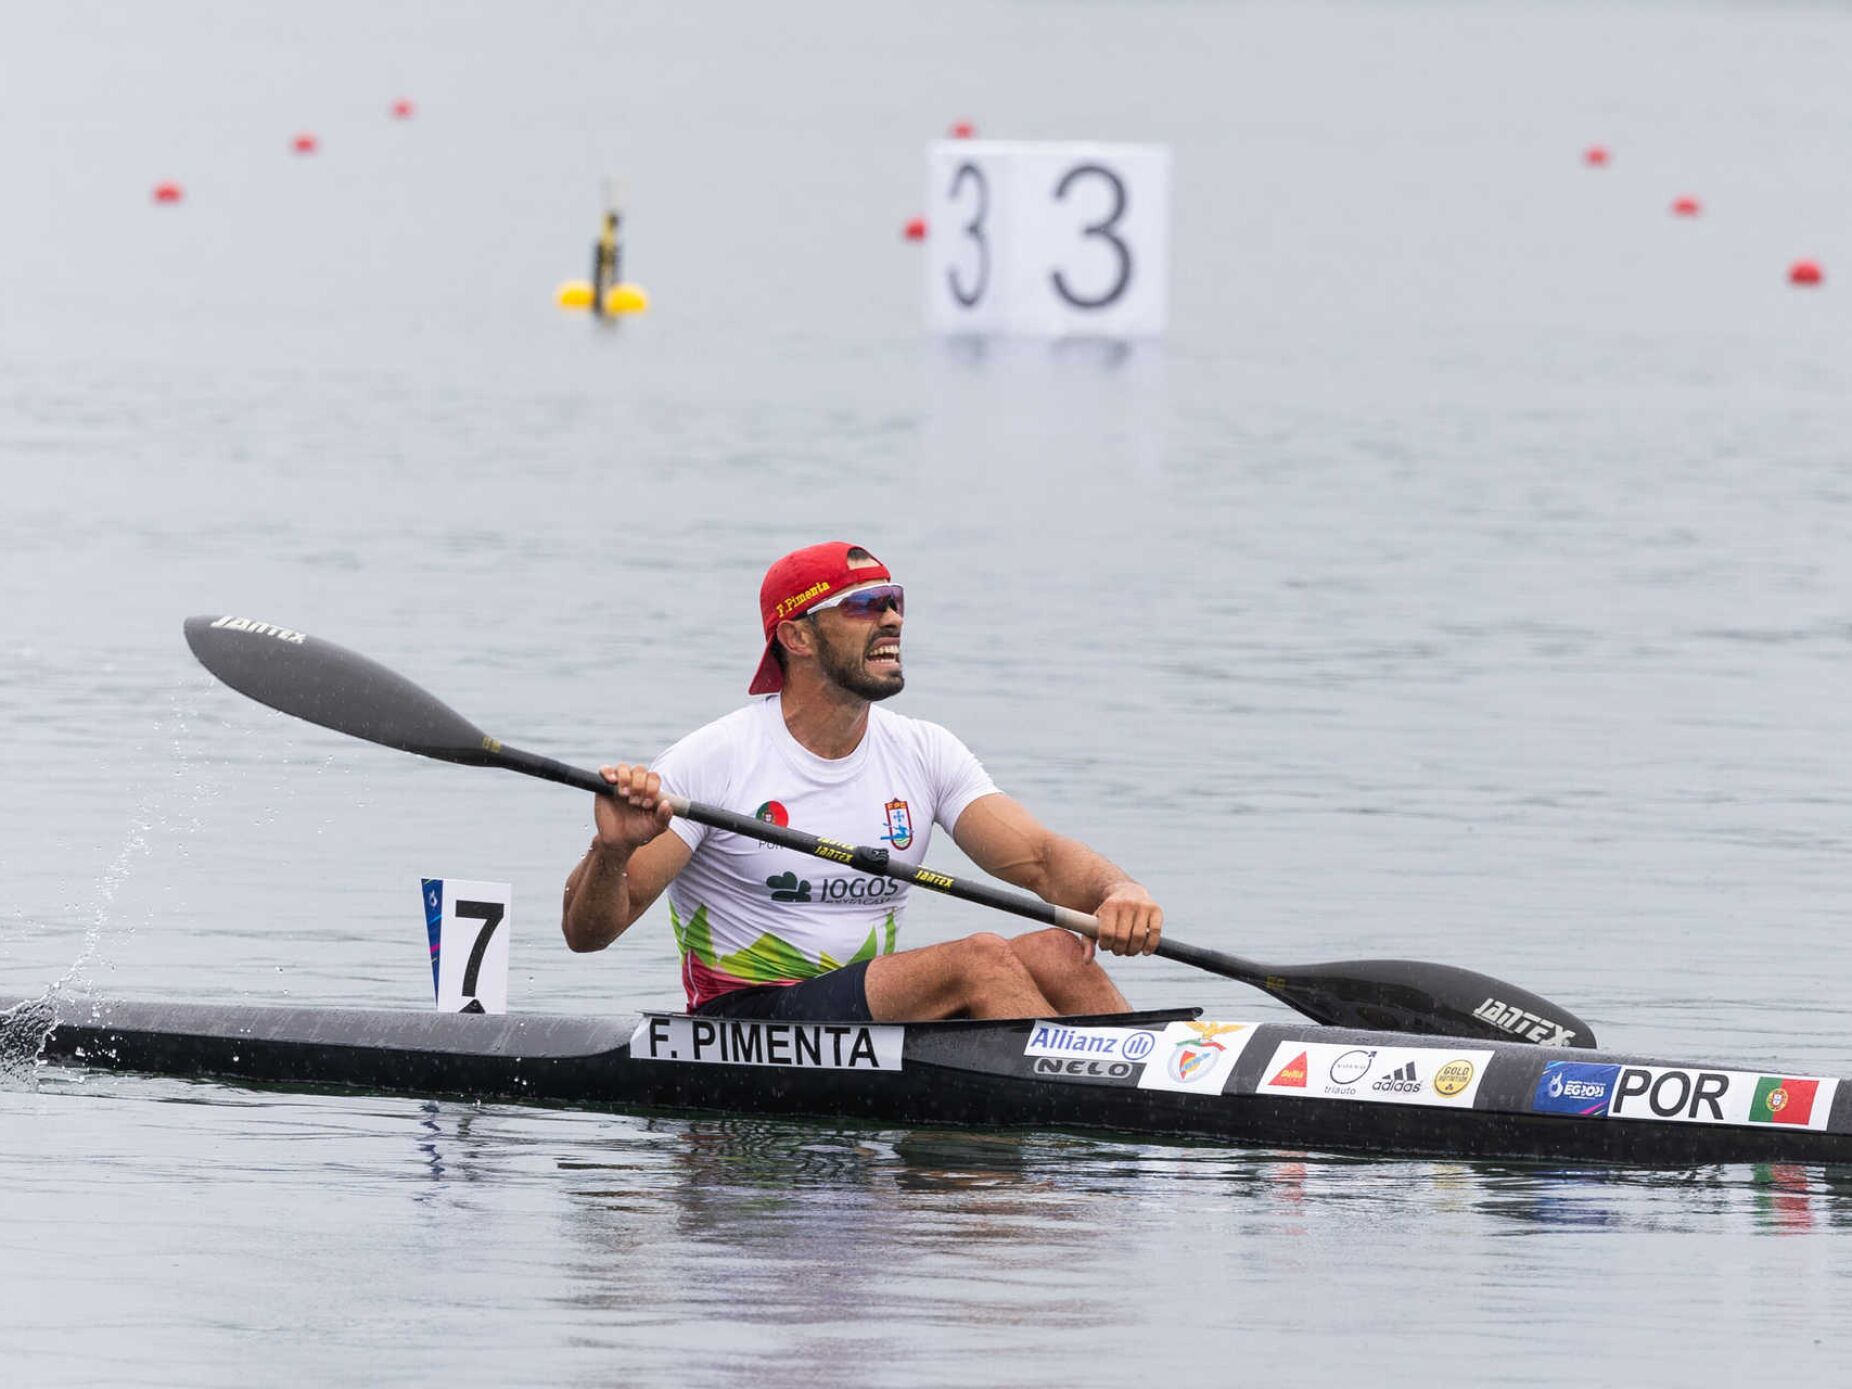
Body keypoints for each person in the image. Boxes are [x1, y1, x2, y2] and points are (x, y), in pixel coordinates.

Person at [561, 541, 1164, 1022]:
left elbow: (1040, 859)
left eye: (893, 600)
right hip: (746, 1020)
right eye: (863, 605)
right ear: (796, 637)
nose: (892, 618)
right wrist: (610, 851)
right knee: (980, 960)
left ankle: (1169, 1089)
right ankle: (1088, 1127)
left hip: (865, 1015)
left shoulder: (923, 750)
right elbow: (587, 935)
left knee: (1060, 951)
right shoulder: (714, 760)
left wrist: (1118, 892)